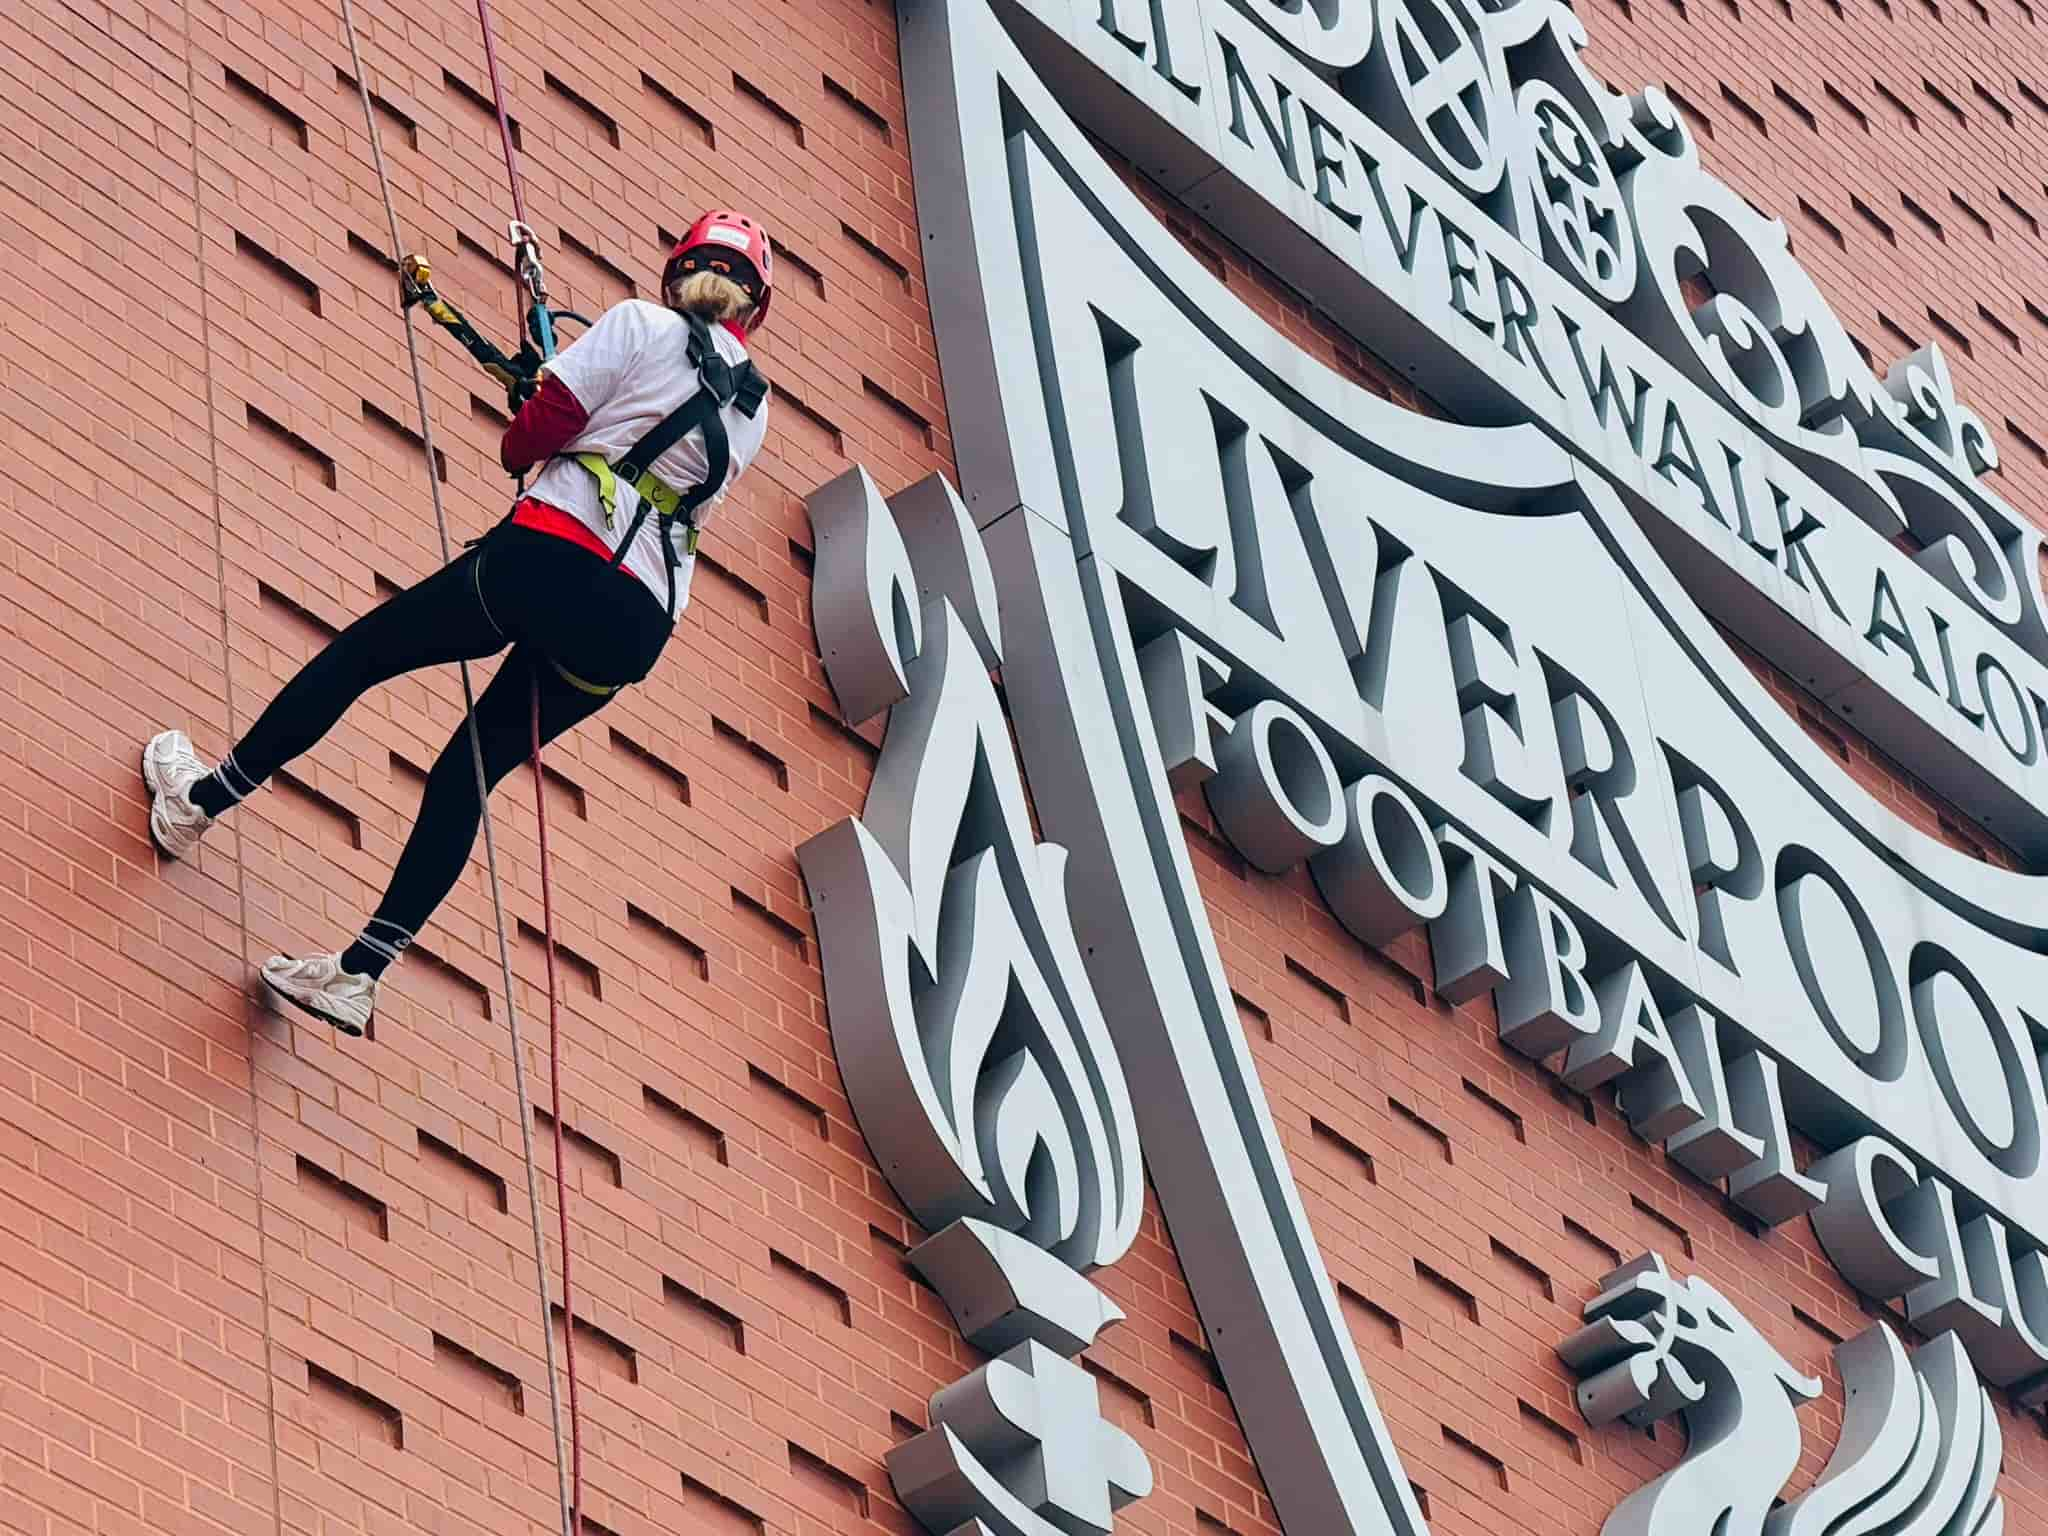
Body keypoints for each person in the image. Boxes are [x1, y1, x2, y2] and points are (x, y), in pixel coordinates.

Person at [140, 210, 776, 1036]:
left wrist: (529, 430)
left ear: (677, 271)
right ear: (751, 311)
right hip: (634, 623)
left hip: (551, 556)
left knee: (365, 655)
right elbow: (657, 457)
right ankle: (359, 972)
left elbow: (538, 433)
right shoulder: (754, 411)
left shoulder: (638, 323)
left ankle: (199, 800)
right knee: (471, 770)